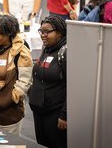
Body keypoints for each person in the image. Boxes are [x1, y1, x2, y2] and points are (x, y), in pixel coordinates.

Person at [29, 15, 67, 148]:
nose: (43, 35)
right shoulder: (46, 48)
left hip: (55, 113)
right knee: (42, 144)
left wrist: (65, 115)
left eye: (47, 31)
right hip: (39, 110)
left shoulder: (65, 52)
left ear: (59, 33)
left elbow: (73, 88)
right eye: (41, 31)